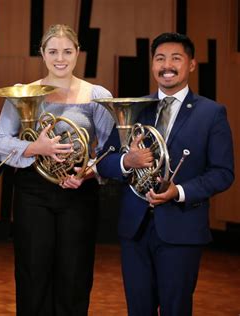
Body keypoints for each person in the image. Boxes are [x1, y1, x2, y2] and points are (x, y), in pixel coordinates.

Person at [97, 32, 235, 315]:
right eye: (160, 58)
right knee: (138, 310)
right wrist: (128, 161)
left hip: (181, 229)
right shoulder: (134, 108)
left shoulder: (211, 113)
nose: (166, 65)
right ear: (152, 65)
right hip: (135, 230)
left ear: (192, 64)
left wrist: (179, 192)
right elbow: (102, 163)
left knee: (176, 309)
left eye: (176, 58)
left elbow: (223, 173)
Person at [0, 24, 114, 315]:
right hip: (33, 191)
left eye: (67, 51)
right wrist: (37, 149)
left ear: (78, 53)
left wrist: (88, 172)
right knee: (33, 272)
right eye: (53, 51)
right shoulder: (24, 93)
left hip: (79, 190)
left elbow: (110, 149)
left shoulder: (96, 94)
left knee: (75, 273)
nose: (61, 58)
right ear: (42, 54)